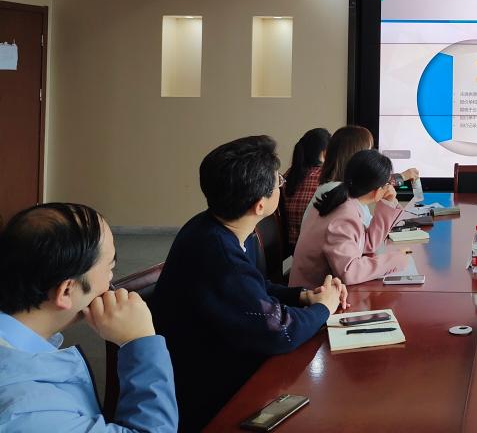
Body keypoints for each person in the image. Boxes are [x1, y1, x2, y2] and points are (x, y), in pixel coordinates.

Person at [151, 135, 347, 432]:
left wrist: (304, 296)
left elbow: (256, 287)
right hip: (209, 390)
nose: (281, 184)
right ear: (260, 205)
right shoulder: (219, 255)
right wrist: (324, 308)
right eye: (278, 181)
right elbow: (280, 332)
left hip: (224, 354)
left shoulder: (216, 226)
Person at [0, 203, 177, 432]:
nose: (111, 282)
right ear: (66, 291)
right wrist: (139, 342)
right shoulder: (30, 413)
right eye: (109, 268)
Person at [290, 149, 408, 287]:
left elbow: (367, 244)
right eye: (387, 184)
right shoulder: (344, 215)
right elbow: (349, 271)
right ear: (377, 190)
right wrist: (394, 260)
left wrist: (387, 203)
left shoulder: (342, 198)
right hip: (310, 294)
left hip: (321, 289)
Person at [302, 125, 418, 228]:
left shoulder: (336, 188)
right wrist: (401, 177)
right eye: (369, 151)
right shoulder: (338, 194)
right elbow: (368, 238)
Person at [282, 127, 330, 247]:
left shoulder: (289, 174)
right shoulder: (326, 177)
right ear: (325, 152)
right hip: (315, 247)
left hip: (289, 246)